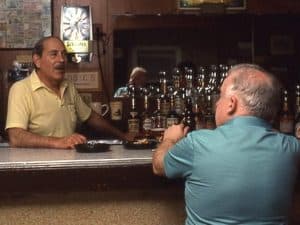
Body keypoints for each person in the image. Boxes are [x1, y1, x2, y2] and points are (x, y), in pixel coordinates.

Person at [152, 63, 300, 225]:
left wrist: (170, 139)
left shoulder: (197, 144)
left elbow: (158, 166)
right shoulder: (292, 148)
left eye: (220, 96)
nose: (216, 104)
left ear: (232, 103)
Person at [5, 36, 132, 149]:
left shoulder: (68, 86)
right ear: (37, 60)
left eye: (64, 54)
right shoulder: (21, 89)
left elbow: (91, 117)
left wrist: (123, 136)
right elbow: (16, 137)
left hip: (68, 162)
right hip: (37, 167)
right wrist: (58, 142)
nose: (61, 60)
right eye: (54, 54)